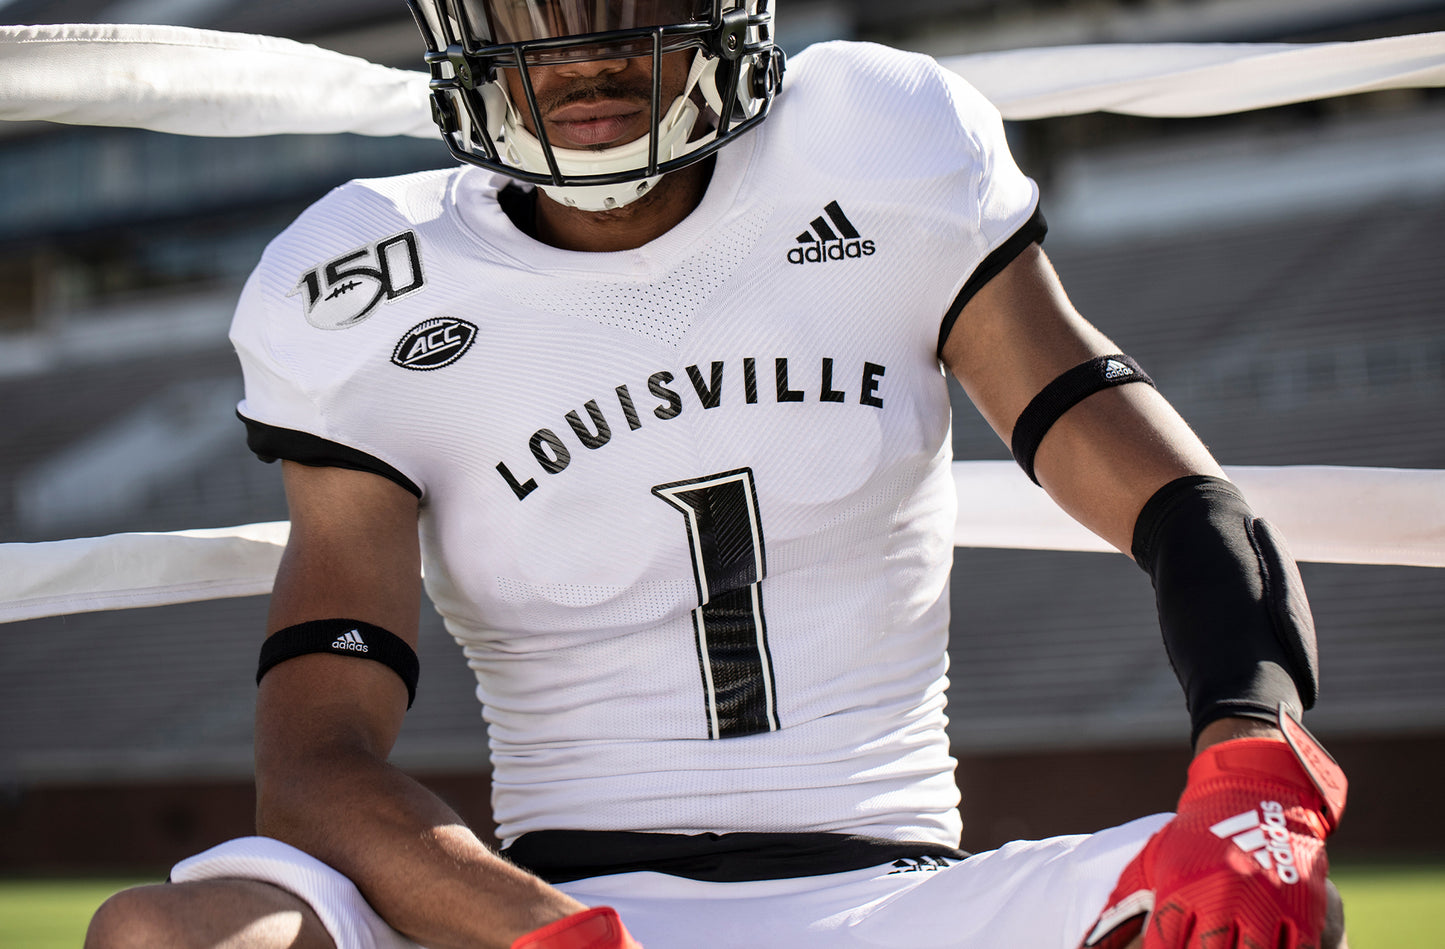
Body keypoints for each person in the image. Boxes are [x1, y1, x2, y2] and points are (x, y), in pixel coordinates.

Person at [85, 0, 1348, 947]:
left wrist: (1252, 755)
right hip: (557, 895)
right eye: (531, 6)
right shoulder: (367, 287)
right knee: (163, 934)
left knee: (1252, 904)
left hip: (896, 893)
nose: (578, 51)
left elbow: (1179, 502)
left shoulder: (874, 143)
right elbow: (313, 765)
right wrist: (549, 933)